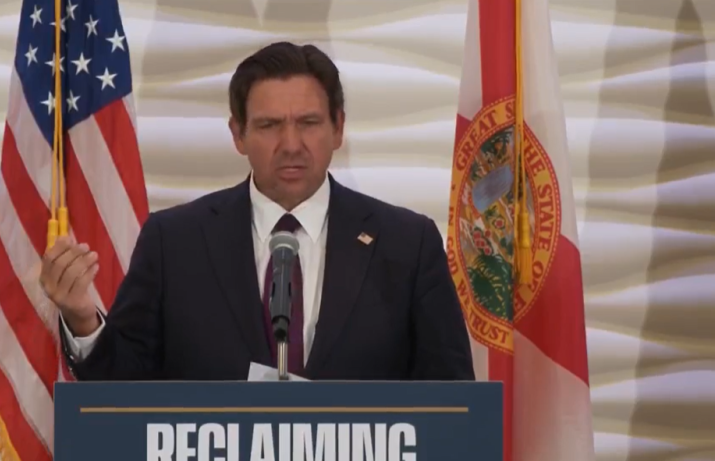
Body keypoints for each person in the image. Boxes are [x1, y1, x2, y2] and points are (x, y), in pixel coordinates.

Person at [40, 41, 474, 382]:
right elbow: (125, 391)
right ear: (238, 134)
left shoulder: (406, 245)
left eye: (308, 123)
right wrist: (82, 319)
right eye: (268, 126)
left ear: (338, 128)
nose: (290, 144)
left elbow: (451, 401)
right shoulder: (174, 243)